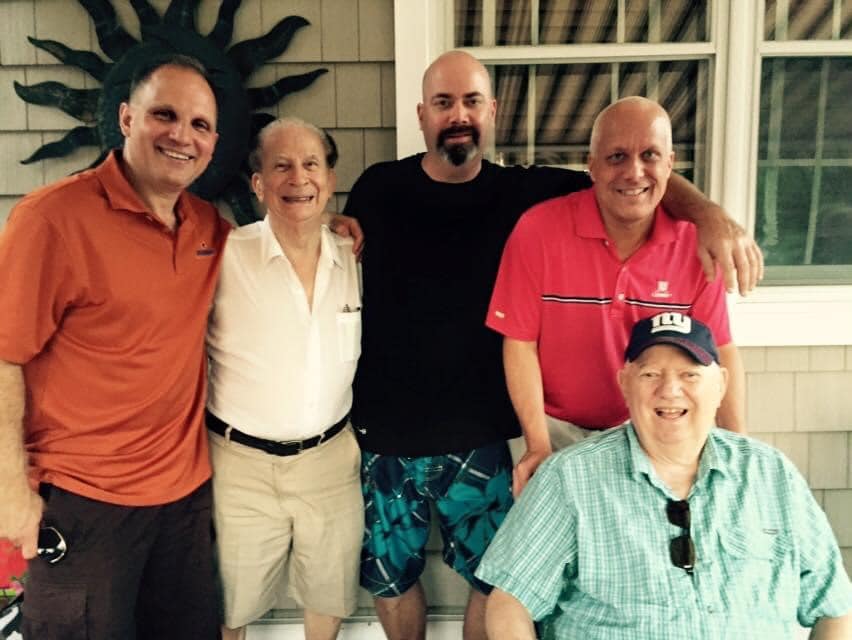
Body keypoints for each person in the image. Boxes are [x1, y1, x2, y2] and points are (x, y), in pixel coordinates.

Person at [343, 50, 764, 640]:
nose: (458, 115)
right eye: (443, 102)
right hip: (390, 427)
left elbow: (636, 176)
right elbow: (336, 249)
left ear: (492, 111)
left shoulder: (529, 193)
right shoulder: (378, 187)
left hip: (484, 432)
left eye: (471, 101)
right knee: (391, 576)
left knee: (495, 578)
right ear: (422, 114)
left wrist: (710, 214)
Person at [0, 55, 228, 638]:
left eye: (200, 125)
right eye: (164, 115)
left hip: (184, 502)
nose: (182, 136)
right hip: (84, 502)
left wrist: (333, 229)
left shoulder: (208, 227)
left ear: (213, 142)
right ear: (126, 118)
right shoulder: (51, 219)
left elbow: (279, 245)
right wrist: (9, 494)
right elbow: (3, 359)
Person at [477, 312, 852, 639]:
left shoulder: (769, 474)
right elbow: (509, 603)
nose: (670, 390)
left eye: (690, 374)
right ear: (625, 382)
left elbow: (835, 608)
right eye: (651, 374)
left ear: (721, 384)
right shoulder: (570, 477)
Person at [487, 96, 745, 497]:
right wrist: (538, 444)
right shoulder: (538, 231)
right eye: (617, 157)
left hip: (649, 431)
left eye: (649, 155)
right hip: (553, 428)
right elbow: (519, 343)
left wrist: (738, 448)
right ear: (591, 166)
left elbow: (719, 353)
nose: (634, 171)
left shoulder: (697, 246)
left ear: (670, 163)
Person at [206, 118, 363, 640]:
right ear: (258, 184)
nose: (299, 178)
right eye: (282, 166)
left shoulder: (355, 257)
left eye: (311, 164)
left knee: (329, 598)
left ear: (330, 179)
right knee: (230, 606)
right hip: (240, 466)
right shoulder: (226, 256)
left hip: (330, 462)